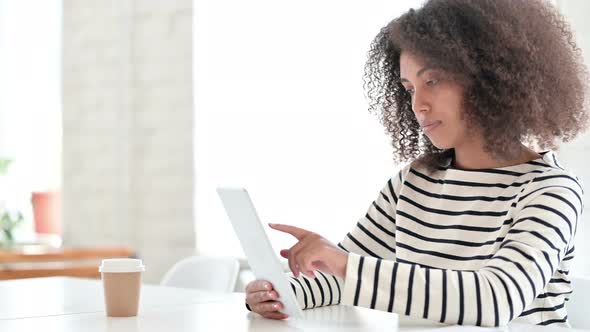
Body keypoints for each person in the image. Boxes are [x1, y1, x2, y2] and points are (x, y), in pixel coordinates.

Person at [245, 0, 588, 327]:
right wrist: (280, 293)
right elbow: (339, 279)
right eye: (409, 88)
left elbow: (497, 299)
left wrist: (344, 264)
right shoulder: (414, 182)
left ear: (489, 78)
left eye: (433, 81)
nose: (418, 104)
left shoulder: (550, 191)